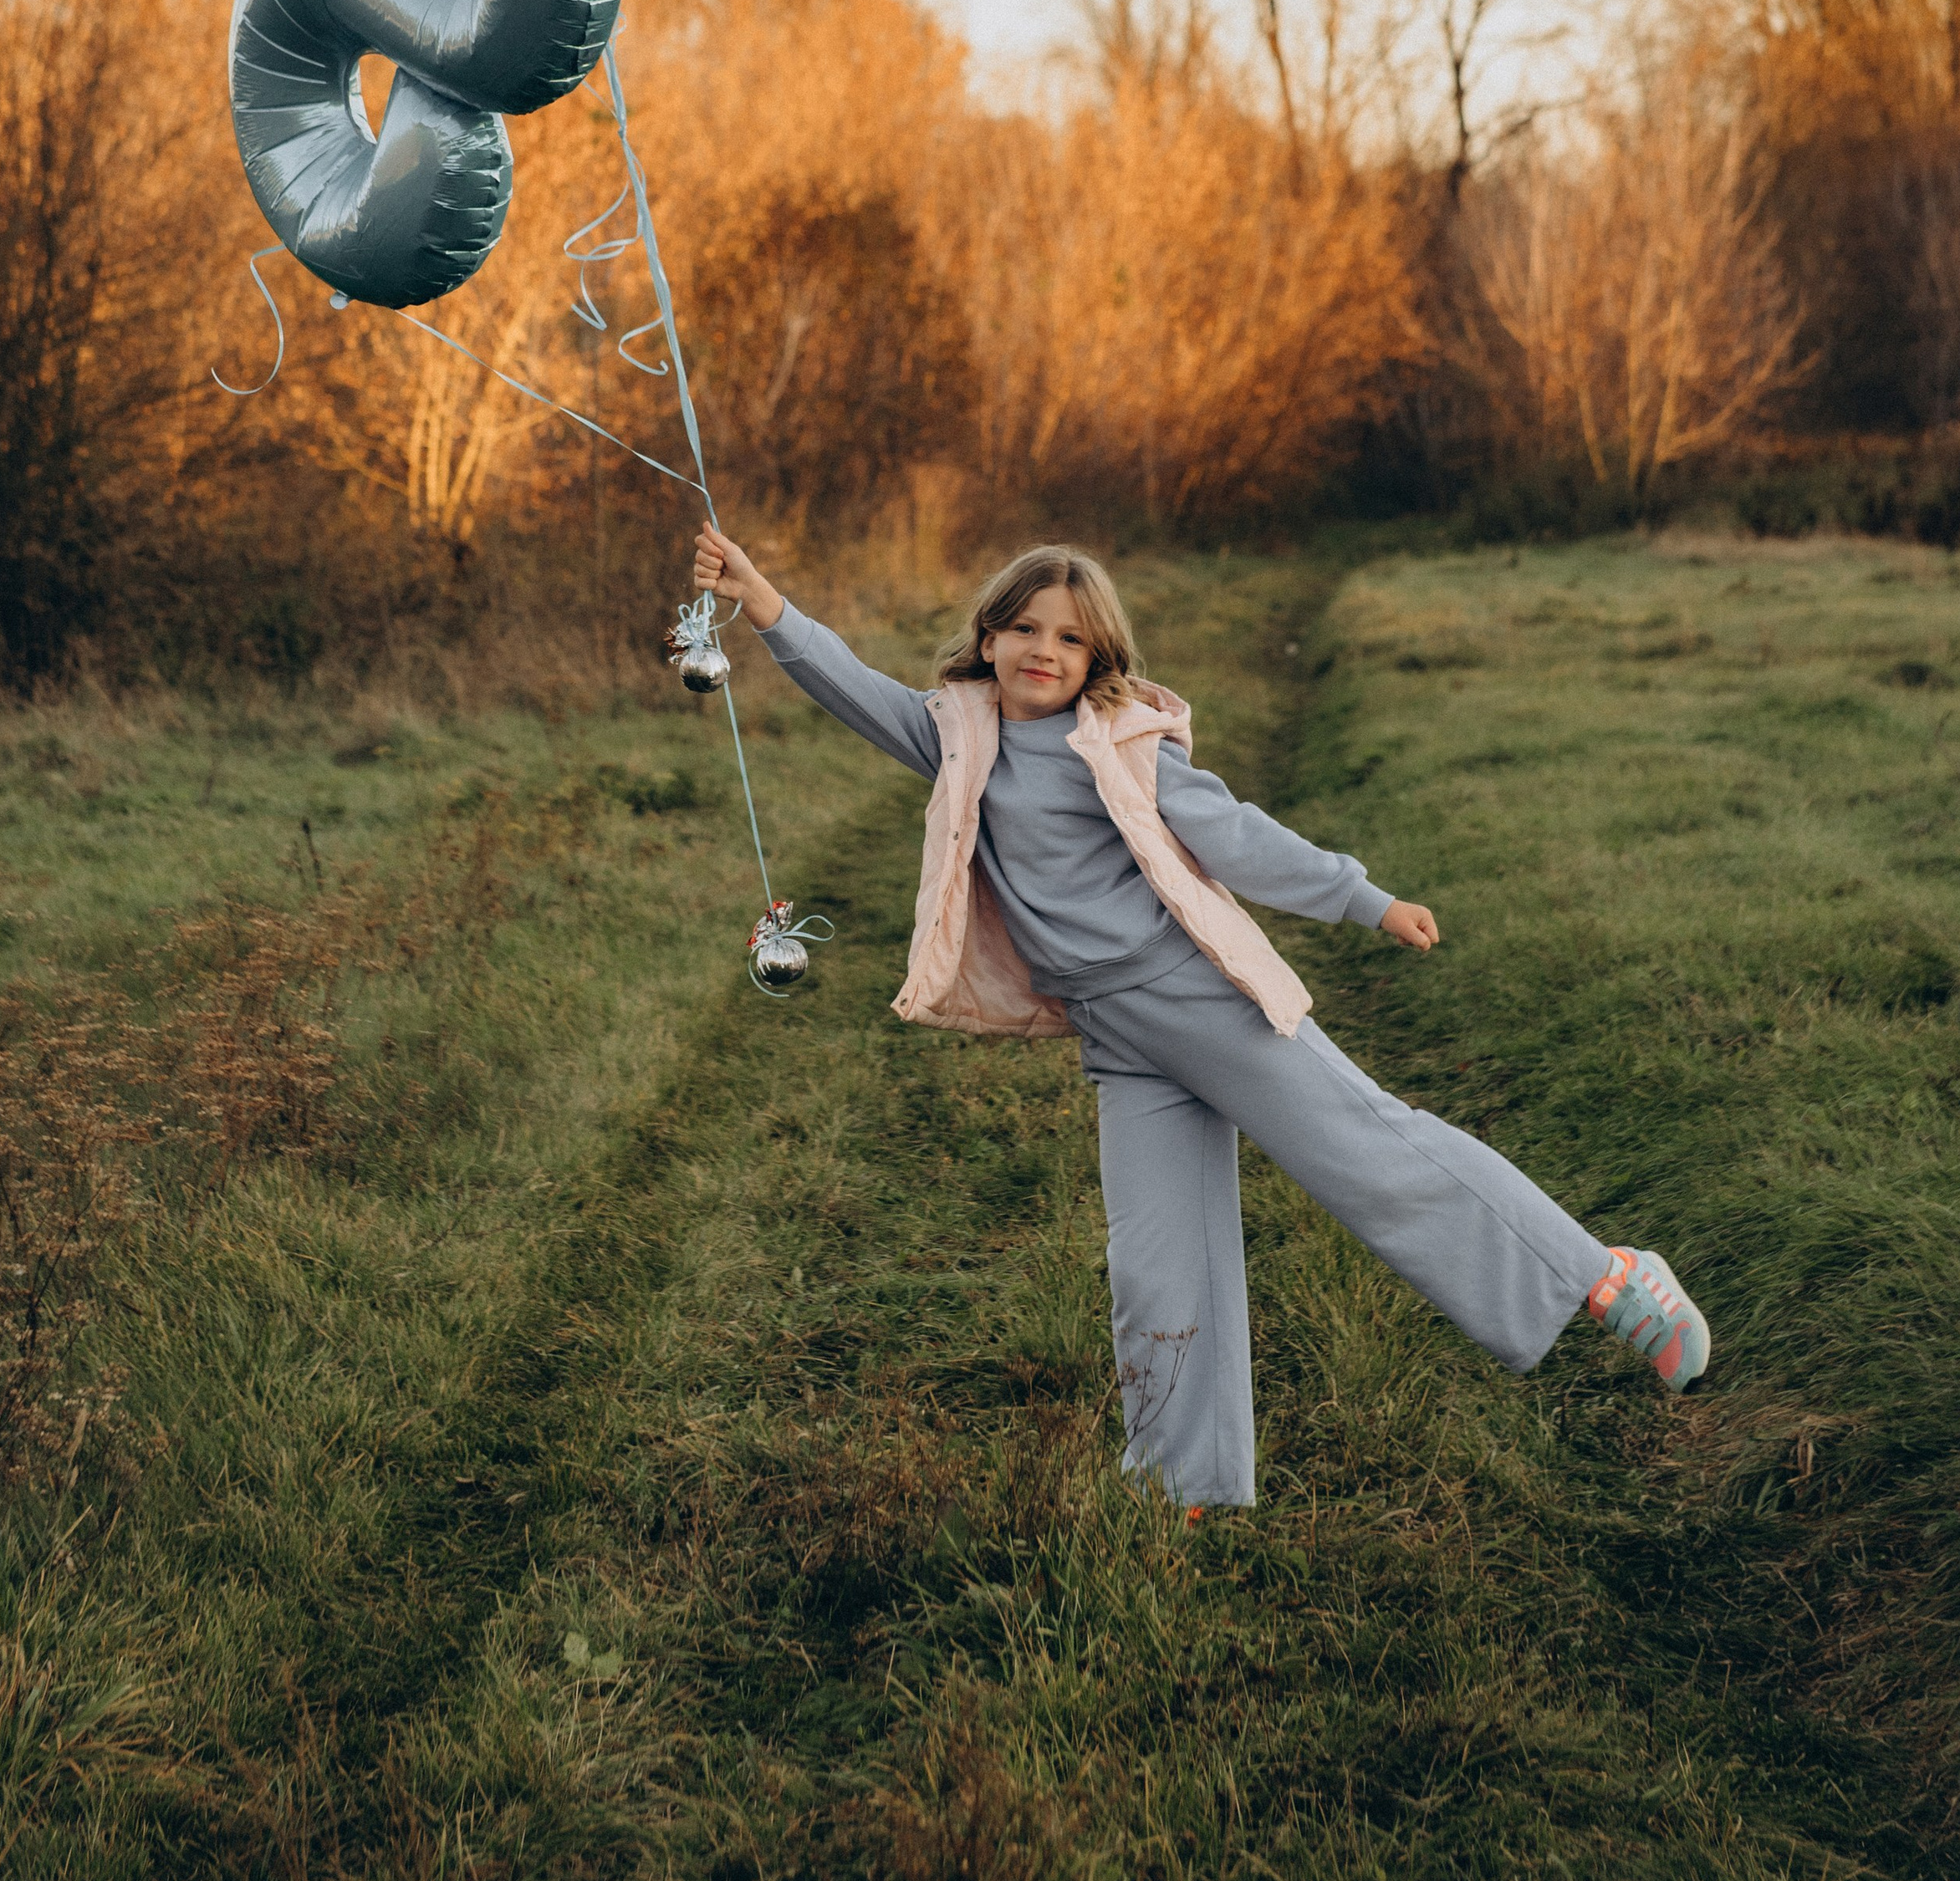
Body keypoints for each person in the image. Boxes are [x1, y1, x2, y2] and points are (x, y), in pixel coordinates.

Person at [692, 528, 1711, 1511]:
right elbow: (848, 682)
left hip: (1202, 998)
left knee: (1370, 1153)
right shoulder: (955, 732)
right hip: (1117, 1035)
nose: (1045, 650)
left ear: (1098, 657)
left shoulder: (1122, 746)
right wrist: (760, 599)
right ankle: (1186, 1481)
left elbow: (1236, 836)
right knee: (1156, 1258)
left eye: (1070, 636)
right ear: (989, 636)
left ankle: (1604, 1272)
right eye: (1026, 628)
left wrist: (1362, 897)